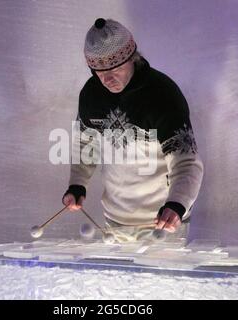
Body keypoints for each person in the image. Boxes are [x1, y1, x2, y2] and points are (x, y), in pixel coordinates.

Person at [62, 18, 204, 242]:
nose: (108, 79)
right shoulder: (91, 94)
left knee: (164, 278)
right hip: (115, 221)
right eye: (99, 72)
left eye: (116, 68)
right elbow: (85, 143)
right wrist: (77, 184)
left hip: (164, 221)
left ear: (132, 58)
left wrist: (177, 204)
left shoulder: (163, 95)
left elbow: (186, 162)